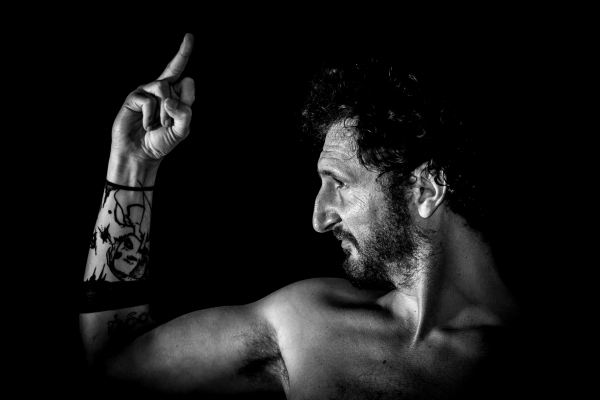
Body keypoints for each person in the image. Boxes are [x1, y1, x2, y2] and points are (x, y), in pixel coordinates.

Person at [81, 33, 526, 398]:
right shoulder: (303, 323)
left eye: (340, 183)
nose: (319, 219)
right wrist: (133, 164)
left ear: (426, 189)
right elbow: (116, 364)